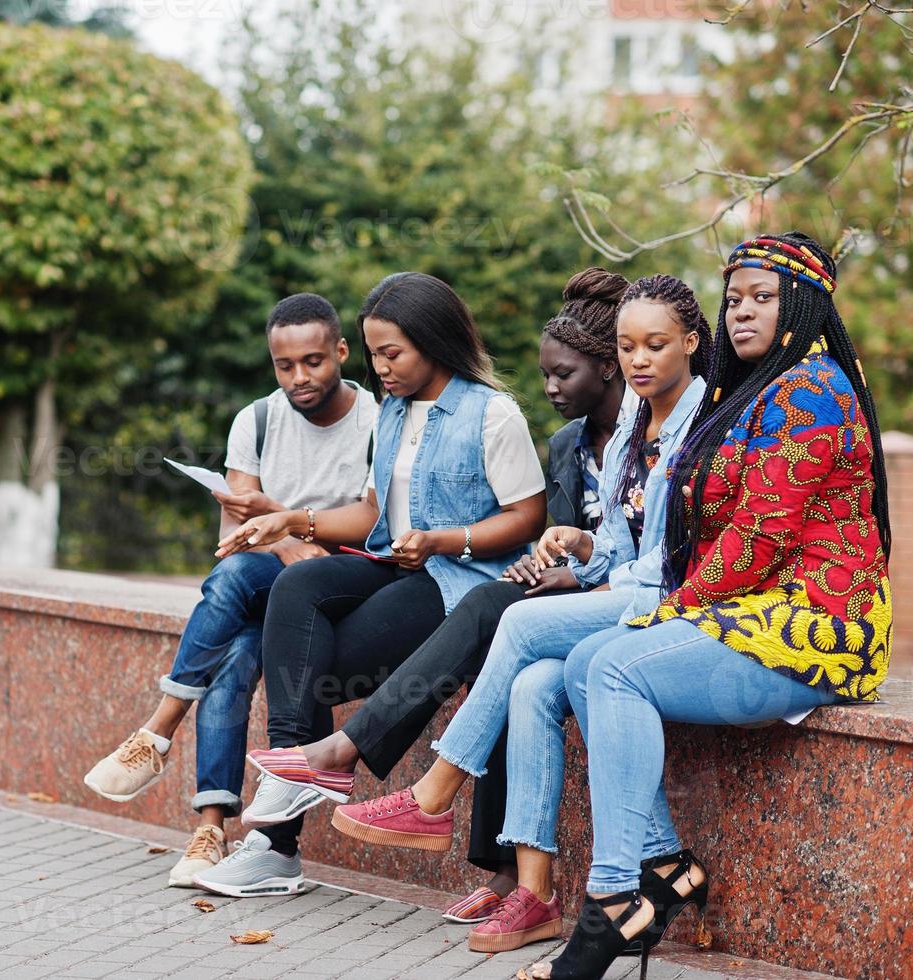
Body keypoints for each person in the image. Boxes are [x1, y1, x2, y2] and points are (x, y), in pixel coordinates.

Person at [215, 268, 632, 921]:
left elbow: (525, 518)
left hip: (457, 576)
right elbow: (374, 511)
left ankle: (303, 791)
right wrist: (291, 520)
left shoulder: (489, 412)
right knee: (296, 583)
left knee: (329, 658)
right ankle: (292, 784)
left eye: (391, 353)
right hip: (396, 564)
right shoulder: (390, 414)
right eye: (374, 352)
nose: (380, 367)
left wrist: (447, 539)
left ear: (432, 342)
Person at [538, 232, 893, 980]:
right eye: (732, 298)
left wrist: (668, 612)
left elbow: (757, 537)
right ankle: (663, 867)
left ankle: (610, 902)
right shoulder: (753, 392)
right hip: (754, 614)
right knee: (579, 665)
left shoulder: (810, 391)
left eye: (761, 298)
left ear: (801, 303)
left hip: (820, 624)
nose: (741, 312)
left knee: (613, 669)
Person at [333, 275, 713, 955]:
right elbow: (622, 546)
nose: (638, 359)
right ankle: (534, 894)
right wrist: (582, 546)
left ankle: (434, 792)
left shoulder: (705, 420)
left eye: (654, 345)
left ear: (689, 342)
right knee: (532, 682)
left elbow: (667, 564)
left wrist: (602, 582)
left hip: (681, 602)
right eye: (628, 346)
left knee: (516, 622)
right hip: (629, 585)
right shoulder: (632, 422)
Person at [82, 292, 378, 888]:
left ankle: (160, 729)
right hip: (272, 575)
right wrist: (286, 545)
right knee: (236, 652)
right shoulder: (258, 419)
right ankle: (212, 830)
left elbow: (375, 522)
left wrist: (291, 527)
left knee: (239, 586)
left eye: (314, 361)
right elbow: (234, 535)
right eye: (284, 365)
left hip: (342, 583)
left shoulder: (377, 419)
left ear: (342, 351)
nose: (300, 377)